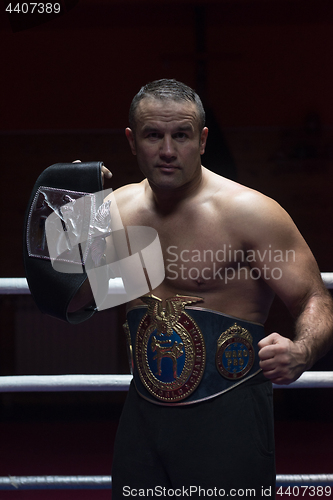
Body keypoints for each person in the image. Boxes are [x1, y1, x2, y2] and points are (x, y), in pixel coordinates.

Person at [66, 80, 333, 497]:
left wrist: (303, 350)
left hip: (229, 415)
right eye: (154, 135)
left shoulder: (250, 213)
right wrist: (75, 214)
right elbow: (78, 299)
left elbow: (314, 297)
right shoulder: (112, 209)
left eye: (182, 136)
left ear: (203, 140)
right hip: (143, 416)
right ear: (132, 141)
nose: (168, 150)